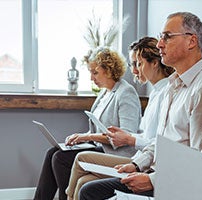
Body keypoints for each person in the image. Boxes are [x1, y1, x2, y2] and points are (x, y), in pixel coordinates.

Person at [78, 12, 202, 200]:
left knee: (90, 192)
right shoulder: (172, 86)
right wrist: (137, 164)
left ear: (191, 41)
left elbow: (198, 159)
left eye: (167, 37)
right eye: (161, 37)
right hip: (155, 170)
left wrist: (153, 180)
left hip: (172, 182)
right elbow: (160, 141)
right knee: (88, 188)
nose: (160, 44)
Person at [65, 36, 174, 200]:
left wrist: (129, 139)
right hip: (140, 158)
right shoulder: (156, 93)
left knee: (80, 160)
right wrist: (127, 137)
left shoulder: (166, 93)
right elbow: (147, 137)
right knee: (82, 182)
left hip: (141, 160)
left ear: (155, 62)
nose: (134, 70)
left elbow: (158, 142)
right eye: (132, 65)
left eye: (138, 64)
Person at [34, 47, 141, 200]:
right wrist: (82, 139)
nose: (91, 78)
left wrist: (86, 137)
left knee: (60, 159)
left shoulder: (126, 93)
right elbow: (97, 129)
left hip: (117, 153)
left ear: (109, 70)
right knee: (52, 152)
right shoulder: (104, 93)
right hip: (100, 147)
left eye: (95, 72)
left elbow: (126, 135)